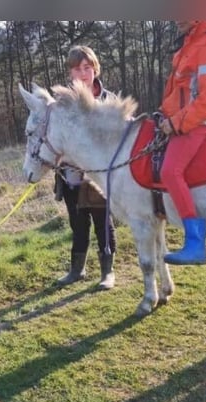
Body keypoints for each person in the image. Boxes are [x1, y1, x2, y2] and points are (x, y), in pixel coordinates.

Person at [158, 20, 206, 265]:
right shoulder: (192, 43)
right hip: (183, 118)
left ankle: (195, 244)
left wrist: (176, 123)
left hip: (198, 122)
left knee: (170, 171)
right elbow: (179, 91)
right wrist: (164, 114)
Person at [53, 45, 118, 290]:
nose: (83, 73)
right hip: (70, 176)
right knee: (78, 224)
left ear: (95, 69)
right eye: (78, 68)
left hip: (100, 178)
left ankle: (107, 273)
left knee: (103, 223)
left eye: (87, 68)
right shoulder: (62, 103)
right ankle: (77, 270)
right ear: (70, 72)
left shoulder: (109, 100)